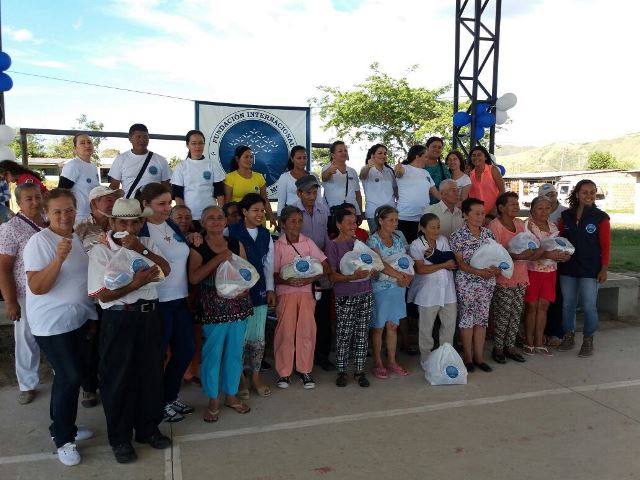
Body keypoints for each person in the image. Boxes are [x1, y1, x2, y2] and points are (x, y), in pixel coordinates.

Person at [87, 198, 172, 464]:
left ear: (141, 222)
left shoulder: (147, 244)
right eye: (122, 221)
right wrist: (136, 284)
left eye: (134, 221)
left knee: (150, 375)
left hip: (149, 317)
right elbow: (101, 294)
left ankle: (147, 429)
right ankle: (120, 438)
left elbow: (165, 271)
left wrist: (141, 251)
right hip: (119, 319)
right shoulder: (101, 251)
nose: (129, 227)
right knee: (118, 379)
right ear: (112, 222)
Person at [24, 189, 97, 466]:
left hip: (76, 321)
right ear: (46, 214)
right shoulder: (39, 242)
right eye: (57, 211)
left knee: (70, 378)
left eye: (68, 210)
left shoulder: (76, 238)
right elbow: (37, 287)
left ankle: (64, 429)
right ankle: (64, 440)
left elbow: (82, 281)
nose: (64, 216)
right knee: (70, 377)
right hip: (51, 325)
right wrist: (58, 259)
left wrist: (90, 315)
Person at [188, 205, 253, 422]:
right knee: (213, 355)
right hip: (212, 308)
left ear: (226, 221)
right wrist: (218, 258)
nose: (216, 221)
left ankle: (231, 396)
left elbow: (246, 272)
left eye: (219, 217)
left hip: (237, 305)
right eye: (210, 218)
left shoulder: (236, 244)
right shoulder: (198, 248)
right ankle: (213, 399)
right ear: (203, 223)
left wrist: (245, 288)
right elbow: (194, 278)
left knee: (235, 352)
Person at [139, 183, 195, 422]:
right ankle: (156, 403)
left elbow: (181, 251)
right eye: (161, 204)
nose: (166, 208)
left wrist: (192, 236)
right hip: (157, 303)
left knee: (185, 350)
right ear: (145, 205)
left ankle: (169, 396)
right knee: (156, 357)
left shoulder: (171, 224)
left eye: (168, 203)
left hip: (179, 299)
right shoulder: (141, 231)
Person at [273, 205, 329, 389]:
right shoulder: (278, 246)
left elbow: (324, 266)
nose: (297, 225)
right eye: (292, 221)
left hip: (306, 293)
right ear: (283, 224)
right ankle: (284, 373)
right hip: (285, 294)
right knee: (286, 331)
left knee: (306, 331)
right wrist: (287, 282)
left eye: (299, 221)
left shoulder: (307, 243)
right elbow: (272, 273)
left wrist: (311, 278)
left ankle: (305, 370)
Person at [0, 183, 46, 405]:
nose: (35, 202)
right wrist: (10, 301)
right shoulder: (11, 228)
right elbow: (3, 267)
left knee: (56, 334)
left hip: (53, 289)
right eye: (29, 199)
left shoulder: (50, 220)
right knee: (27, 338)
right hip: (26, 293)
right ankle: (27, 385)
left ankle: (61, 371)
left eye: (38, 197)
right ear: (19, 202)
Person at [228, 193, 276, 398]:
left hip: (260, 292)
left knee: (258, 338)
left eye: (262, 211)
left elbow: (269, 264)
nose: (260, 214)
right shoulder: (230, 232)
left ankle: (255, 376)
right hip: (237, 294)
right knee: (239, 338)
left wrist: (271, 289)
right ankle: (239, 379)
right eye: (255, 210)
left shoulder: (265, 235)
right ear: (244, 212)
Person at [557, 180, 610, 357]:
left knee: (588, 306)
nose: (589, 195)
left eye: (592, 192)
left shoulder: (601, 217)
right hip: (568, 268)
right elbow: (559, 239)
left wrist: (604, 268)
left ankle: (588, 339)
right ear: (577, 194)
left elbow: (606, 246)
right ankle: (568, 336)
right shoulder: (566, 216)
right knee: (568, 305)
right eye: (585, 192)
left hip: (590, 269)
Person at [450, 198, 500, 372]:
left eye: (483, 213)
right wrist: (479, 272)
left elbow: (496, 256)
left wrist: (494, 269)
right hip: (467, 284)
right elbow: (461, 264)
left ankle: (479, 358)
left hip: (487, 284)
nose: (480, 216)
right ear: (465, 214)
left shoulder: (488, 234)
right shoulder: (457, 236)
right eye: (476, 213)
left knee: (482, 320)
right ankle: (468, 358)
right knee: (467, 320)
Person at [291, 175, 334, 371]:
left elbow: (325, 235)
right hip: (300, 267)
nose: (312, 196)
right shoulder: (292, 210)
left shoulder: (322, 208)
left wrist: (327, 260)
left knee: (322, 314)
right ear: (299, 193)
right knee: (302, 315)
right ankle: (298, 357)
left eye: (315, 192)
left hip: (321, 264)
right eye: (308, 192)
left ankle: (322, 355)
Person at [488, 192, 538, 363]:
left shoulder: (519, 223)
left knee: (516, 313)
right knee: (503, 314)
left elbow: (527, 242)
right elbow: (495, 253)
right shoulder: (494, 226)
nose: (516, 207)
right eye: (512, 204)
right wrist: (515, 256)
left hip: (521, 275)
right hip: (504, 278)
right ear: (501, 208)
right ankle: (498, 348)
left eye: (517, 204)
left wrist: (531, 251)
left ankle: (510, 347)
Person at [326, 208, 373, 388]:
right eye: (349, 223)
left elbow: (371, 263)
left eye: (355, 222)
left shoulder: (359, 243)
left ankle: (360, 371)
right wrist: (352, 277)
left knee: (362, 334)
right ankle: (342, 371)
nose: (354, 226)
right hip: (346, 295)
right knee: (344, 334)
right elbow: (332, 276)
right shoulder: (332, 245)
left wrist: (373, 270)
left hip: (365, 292)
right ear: (338, 225)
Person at [366, 205, 412, 379]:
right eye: (391, 220)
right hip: (380, 290)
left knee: (393, 326)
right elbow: (379, 264)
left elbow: (405, 261)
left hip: (397, 288)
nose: (395, 223)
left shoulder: (398, 239)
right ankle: (378, 362)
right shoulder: (373, 241)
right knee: (378, 328)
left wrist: (407, 278)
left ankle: (392, 361)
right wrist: (401, 275)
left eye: (396, 220)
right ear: (380, 221)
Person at [523, 196, 571, 355]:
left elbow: (559, 246)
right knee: (531, 307)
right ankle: (528, 341)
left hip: (550, 272)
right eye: (540, 208)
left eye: (547, 208)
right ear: (532, 210)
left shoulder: (553, 226)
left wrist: (564, 254)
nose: (544, 211)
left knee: (544, 307)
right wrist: (547, 253)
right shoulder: (527, 226)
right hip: (532, 271)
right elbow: (527, 252)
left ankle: (539, 341)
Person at [408, 213, 457, 364]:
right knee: (426, 328)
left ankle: (446, 357)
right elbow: (421, 270)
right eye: (432, 227)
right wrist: (443, 264)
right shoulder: (416, 245)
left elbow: (453, 262)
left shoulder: (443, 240)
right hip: (427, 293)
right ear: (423, 228)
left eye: (438, 227)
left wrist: (439, 259)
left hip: (448, 291)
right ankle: (426, 359)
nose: (436, 231)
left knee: (449, 327)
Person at [172, 130, 225, 229]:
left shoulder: (212, 165)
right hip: (189, 219)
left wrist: (220, 216)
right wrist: (185, 218)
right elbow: (178, 196)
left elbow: (220, 194)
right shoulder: (181, 167)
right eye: (194, 143)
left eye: (201, 143)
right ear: (188, 145)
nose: (198, 146)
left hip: (210, 217)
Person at [108, 123, 171, 199]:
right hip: (129, 207)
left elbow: (166, 187)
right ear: (130, 138)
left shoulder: (161, 160)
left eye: (145, 137)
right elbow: (114, 186)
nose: (142, 140)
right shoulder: (120, 159)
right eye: (138, 137)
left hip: (153, 208)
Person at [393, 145, 440, 244]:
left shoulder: (426, 173)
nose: (427, 160)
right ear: (417, 156)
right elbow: (399, 173)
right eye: (425, 157)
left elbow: (436, 193)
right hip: (405, 217)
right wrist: (397, 169)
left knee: (422, 247)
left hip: (423, 218)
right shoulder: (404, 168)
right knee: (406, 247)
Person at [224, 145, 275, 225]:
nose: (249, 160)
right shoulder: (230, 177)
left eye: (251, 157)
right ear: (237, 159)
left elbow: (265, 199)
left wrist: (271, 217)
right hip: (238, 221)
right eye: (246, 157)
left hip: (258, 221)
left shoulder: (259, 177)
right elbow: (227, 203)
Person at [58, 134, 101, 223]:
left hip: (93, 216)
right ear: (75, 148)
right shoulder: (73, 165)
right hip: (78, 218)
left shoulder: (93, 166)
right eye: (82, 143)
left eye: (89, 142)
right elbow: (61, 192)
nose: (87, 145)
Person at [321, 140, 363, 222]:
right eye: (340, 151)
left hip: (352, 213)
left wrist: (360, 213)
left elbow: (358, 195)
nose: (344, 153)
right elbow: (324, 177)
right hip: (332, 213)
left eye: (345, 150)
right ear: (333, 155)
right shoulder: (326, 168)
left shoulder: (352, 171)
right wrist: (330, 171)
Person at [359, 144, 397, 233]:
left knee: (392, 240)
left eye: (385, 153)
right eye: (380, 153)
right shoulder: (367, 170)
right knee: (376, 241)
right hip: (374, 213)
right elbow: (362, 175)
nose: (383, 156)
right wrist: (368, 166)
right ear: (372, 155)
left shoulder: (389, 171)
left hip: (391, 212)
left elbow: (395, 189)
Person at [75, 186, 124, 252]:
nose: (114, 204)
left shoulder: (120, 225)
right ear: (94, 203)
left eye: (115, 200)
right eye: (109, 200)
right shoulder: (80, 229)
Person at [276, 146, 316, 216]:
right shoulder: (285, 177)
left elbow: (318, 200)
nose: (302, 160)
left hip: (311, 215)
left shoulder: (313, 176)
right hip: (291, 217)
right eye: (299, 158)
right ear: (292, 159)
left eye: (304, 157)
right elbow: (281, 203)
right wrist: (280, 221)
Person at [468, 145, 505, 219]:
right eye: (473, 155)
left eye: (479, 155)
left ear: (485, 157)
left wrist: (494, 209)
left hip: (494, 213)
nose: (476, 157)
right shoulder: (469, 175)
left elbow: (502, 190)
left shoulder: (493, 170)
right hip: (476, 215)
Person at [423, 137, 451, 204]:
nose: (437, 149)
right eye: (434, 146)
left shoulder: (443, 169)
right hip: (418, 208)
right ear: (427, 148)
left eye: (439, 147)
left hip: (438, 209)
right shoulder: (418, 166)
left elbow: (449, 189)